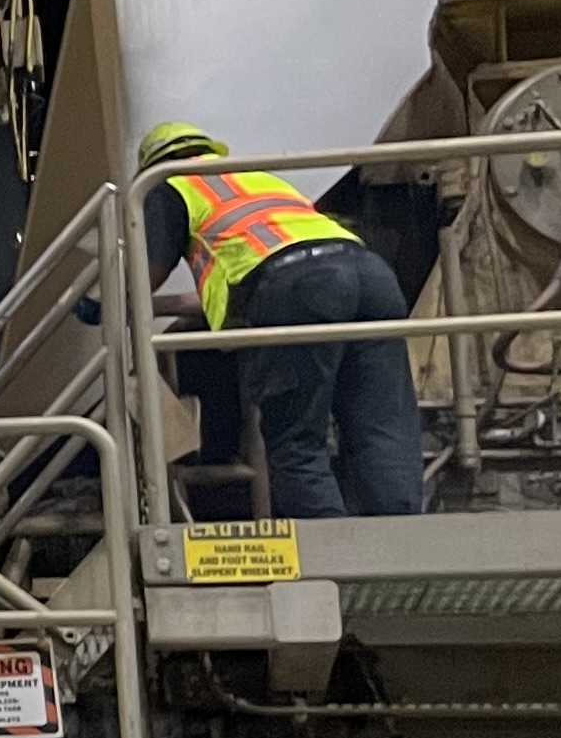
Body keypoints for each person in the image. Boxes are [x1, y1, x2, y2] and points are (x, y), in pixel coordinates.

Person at [137, 121, 426, 518]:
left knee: (295, 437)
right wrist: (160, 307)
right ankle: (408, 546)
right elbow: (249, 278)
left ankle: (330, 558)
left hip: (300, 289)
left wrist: (106, 301)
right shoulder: (255, 179)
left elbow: (142, 278)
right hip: (369, 275)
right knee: (381, 425)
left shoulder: (170, 186)